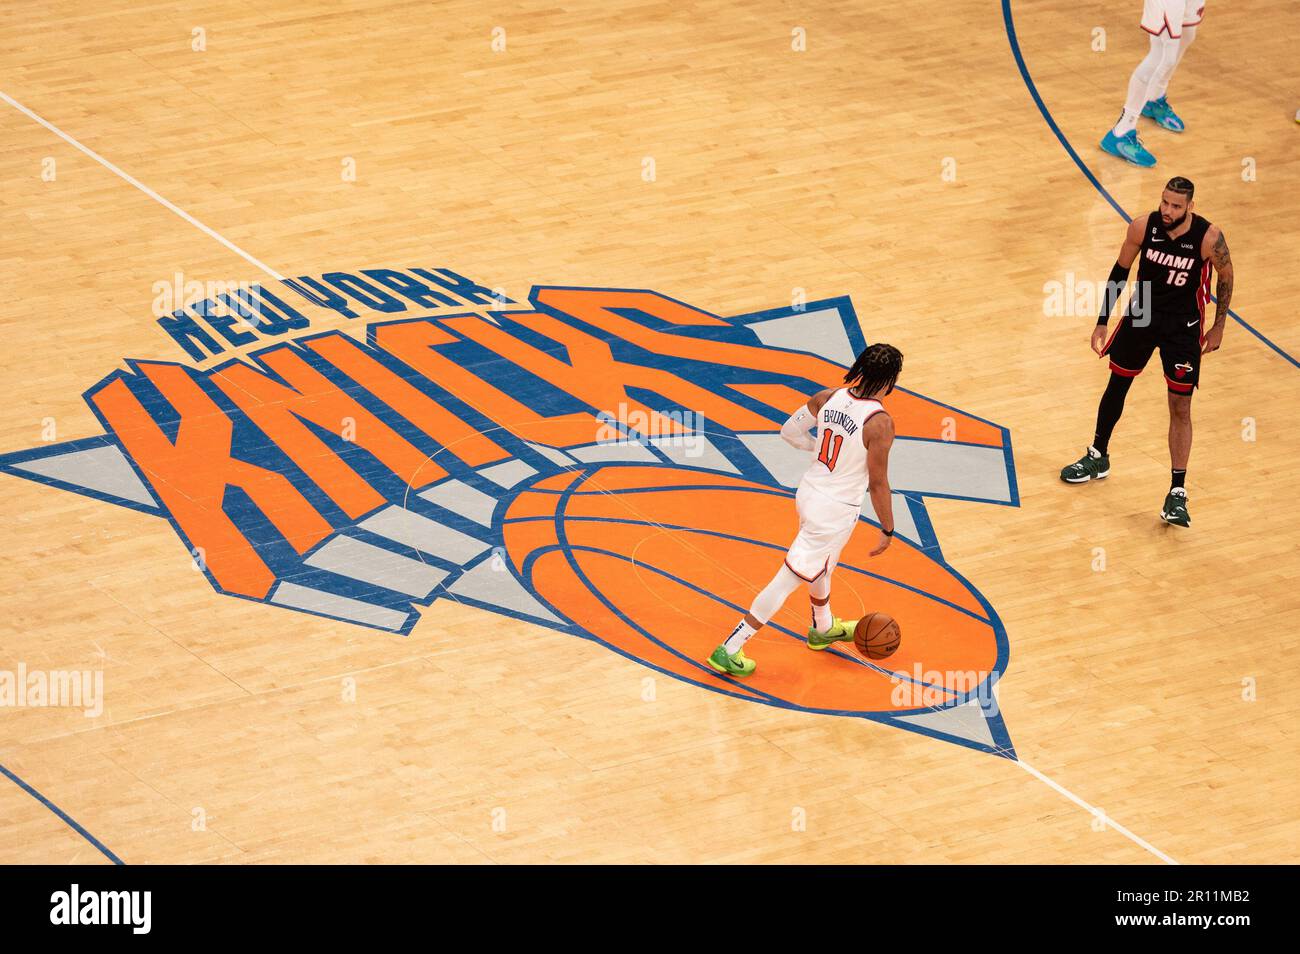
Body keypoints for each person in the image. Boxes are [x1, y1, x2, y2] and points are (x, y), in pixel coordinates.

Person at [706, 344, 902, 677]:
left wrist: (820, 451)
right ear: (890, 381)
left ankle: (822, 627)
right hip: (835, 511)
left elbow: (789, 432)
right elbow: (879, 483)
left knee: (822, 564)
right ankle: (731, 647)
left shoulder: (828, 397)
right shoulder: (880, 424)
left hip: (810, 492)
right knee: (787, 580)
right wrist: (887, 529)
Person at [1060, 177, 1233, 528]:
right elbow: (1120, 273)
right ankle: (1098, 455)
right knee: (1117, 384)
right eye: (1164, 203)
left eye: (1175, 206)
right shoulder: (1143, 226)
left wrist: (1218, 326)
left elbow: (1226, 276)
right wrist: (1101, 321)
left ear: (1190, 207)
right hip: (1143, 314)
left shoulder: (1208, 237)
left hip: (1183, 327)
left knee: (1180, 405)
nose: (1167, 211)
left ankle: (1177, 492)